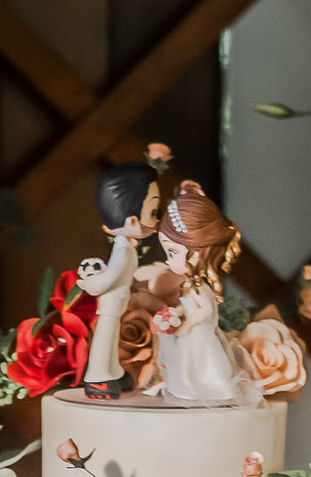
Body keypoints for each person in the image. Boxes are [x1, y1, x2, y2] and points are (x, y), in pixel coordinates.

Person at [154, 180, 262, 406]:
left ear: (195, 254)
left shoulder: (202, 288)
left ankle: (211, 388)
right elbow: (190, 304)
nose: (167, 259)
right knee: (189, 364)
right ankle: (186, 387)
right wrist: (176, 311)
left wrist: (187, 323)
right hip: (193, 335)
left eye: (172, 252)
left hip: (201, 335)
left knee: (204, 365)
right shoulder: (191, 284)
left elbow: (204, 311)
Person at [79, 162, 161, 400]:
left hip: (118, 303)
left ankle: (113, 370)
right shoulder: (123, 251)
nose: (156, 220)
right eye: (153, 212)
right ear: (132, 222)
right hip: (111, 304)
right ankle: (97, 378)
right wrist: (89, 284)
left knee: (111, 337)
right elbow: (109, 278)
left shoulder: (126, 248)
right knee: (104, 339)